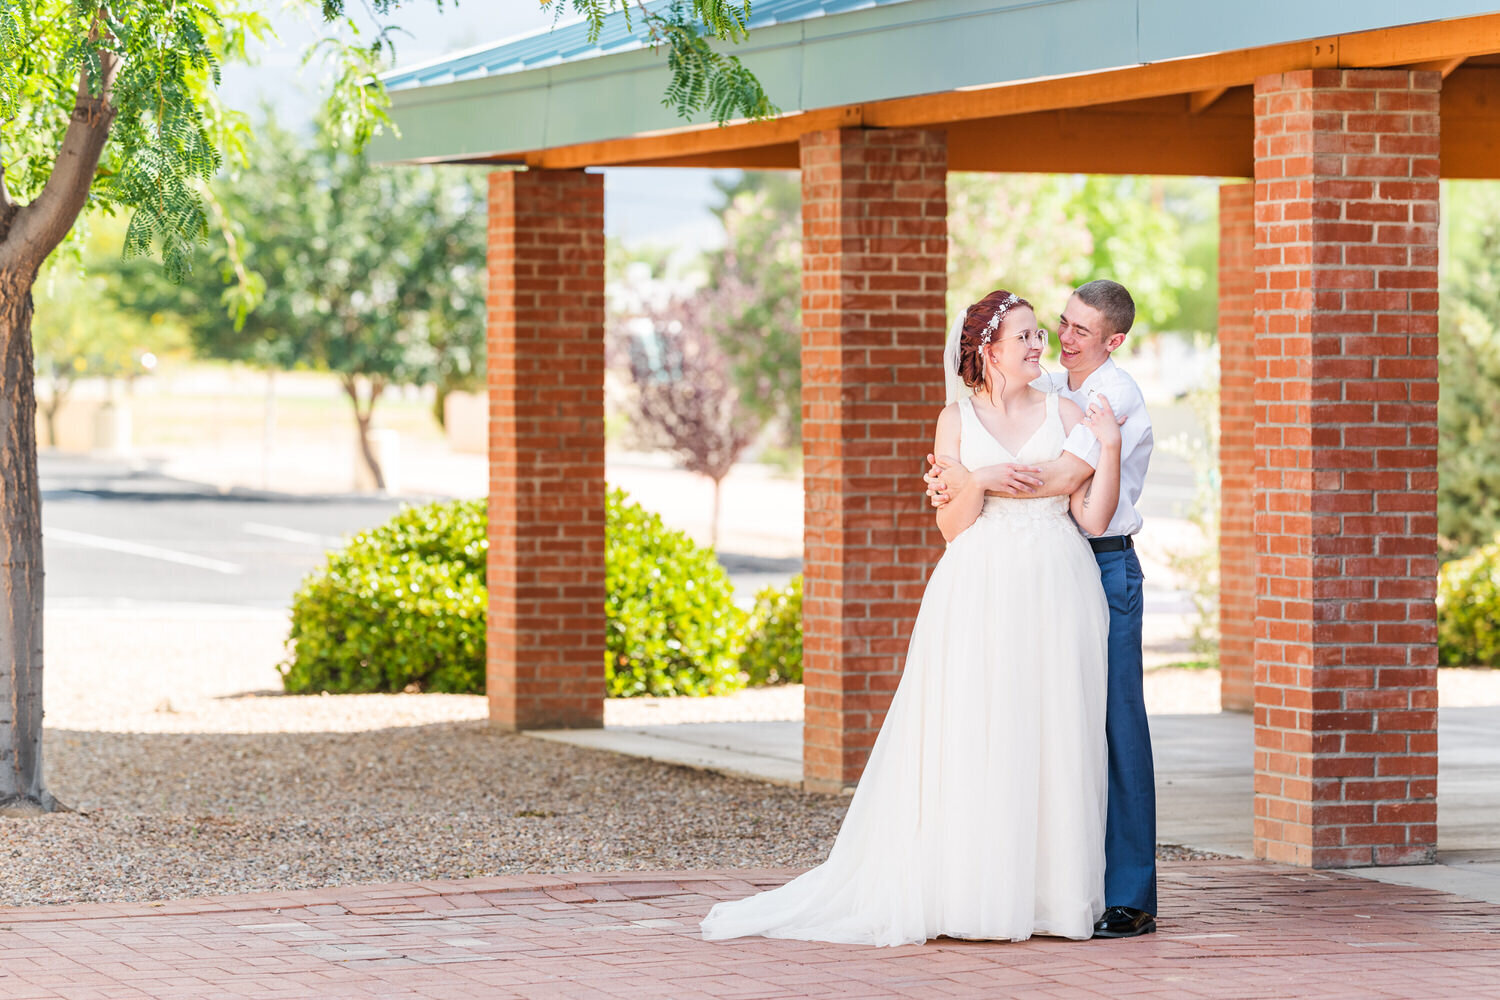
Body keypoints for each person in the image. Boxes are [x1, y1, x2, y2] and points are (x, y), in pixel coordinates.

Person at [700, 290, 1122, 947]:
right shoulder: (954, 422)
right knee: (975, 729)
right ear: (988, 349)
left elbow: (1086, 507)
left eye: (1041, 334)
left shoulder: (1066, 410)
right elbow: (952, 527)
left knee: (1053, 731)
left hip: (1058, 585)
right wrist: (979, 481)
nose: (1041, 346)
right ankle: (973, 890)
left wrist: (1098, 451)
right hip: (977, 586)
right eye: (1025, 337)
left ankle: (1049, 894)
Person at [925, 279, 1157, 939]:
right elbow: (1003, 419)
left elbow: (1057, 481)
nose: (1062, 337)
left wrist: (970, 478)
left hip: (1104, 560)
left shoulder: (1113, 396)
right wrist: (957, 474)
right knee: (1049, 724)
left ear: (1113, 342)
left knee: (1114, 728)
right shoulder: (1056, 387)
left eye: (1080, 331)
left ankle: (1131, 896)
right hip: (1047, 564)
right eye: (1061, 323)